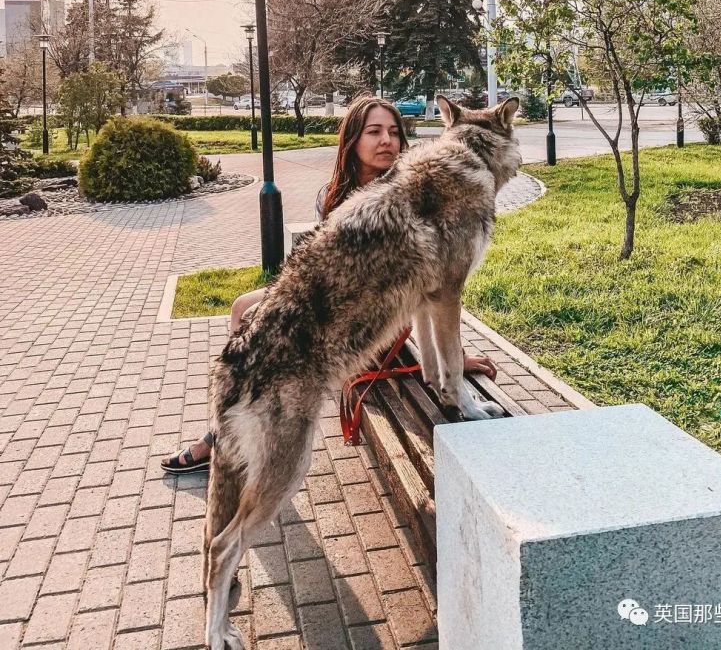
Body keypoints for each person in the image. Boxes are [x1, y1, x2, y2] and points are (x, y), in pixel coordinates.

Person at [161, 95, 497, 474]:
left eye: (393, 132)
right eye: (374, 132)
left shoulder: (418, 185)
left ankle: (227, 438)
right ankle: (234, 430)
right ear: (352, 140)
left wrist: (454, 359)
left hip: (377, 322)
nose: (387, 140)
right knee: (243, 307)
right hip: (345, 306)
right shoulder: (339, 192)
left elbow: (440, 284)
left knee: (269, 333)